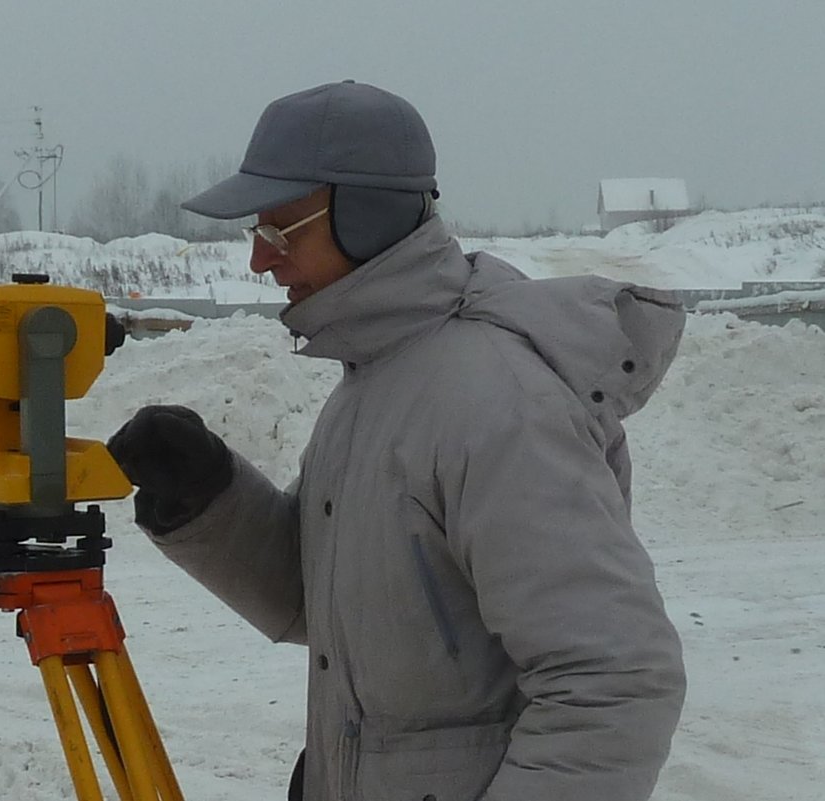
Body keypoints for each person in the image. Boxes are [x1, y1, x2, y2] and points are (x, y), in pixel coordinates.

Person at [107, 80, 687, 801]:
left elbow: (613, 682)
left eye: (280, 230)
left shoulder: (496, 402)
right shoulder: (376, 381)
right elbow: (331, 601)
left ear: (368, 215)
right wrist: (211, 501)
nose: (260, 260)